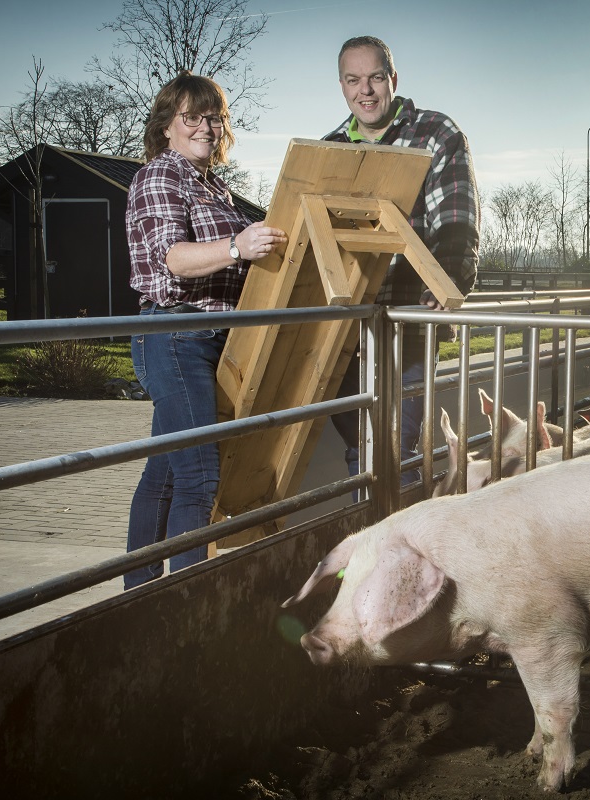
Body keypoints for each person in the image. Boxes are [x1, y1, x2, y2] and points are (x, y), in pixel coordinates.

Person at [124, 72, 287, 589]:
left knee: (167, 475)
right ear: (167, 126)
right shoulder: (159, 177)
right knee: (199, 478)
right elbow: (173, 259)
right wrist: (237, 247)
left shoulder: (213, 185)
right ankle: (184, 600)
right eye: (191, 117)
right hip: (176, 335)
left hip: (211, 337)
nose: (205, 127)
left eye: (213, 117)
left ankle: (140, 597)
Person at [324, 35, 480, 489]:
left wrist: (449, 277)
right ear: (342, 85)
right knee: (359, 445)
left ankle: (405, 556)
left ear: (393, 79)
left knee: (397, 445)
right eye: (353, 80)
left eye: (375, 77)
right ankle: (374, 556)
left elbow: (455, 215)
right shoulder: (330, 148)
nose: (365, 91)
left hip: (409, 316)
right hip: (346, 324)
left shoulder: (435, 134)